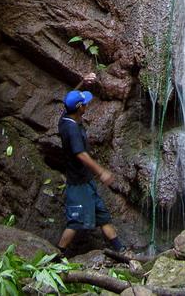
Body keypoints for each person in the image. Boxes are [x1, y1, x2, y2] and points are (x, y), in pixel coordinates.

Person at [57, 87, 125, 255]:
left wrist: (83, 82)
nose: (87, 105)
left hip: (87, 182)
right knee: (75, 222)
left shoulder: (65, 118)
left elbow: (69, 99)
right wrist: (101, 172)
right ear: (80, 107)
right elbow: (81, 154)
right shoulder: (72, 130)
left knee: (103, 216)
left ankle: (121, 250)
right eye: (85, 104)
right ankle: (55, 258)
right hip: (78, 183)